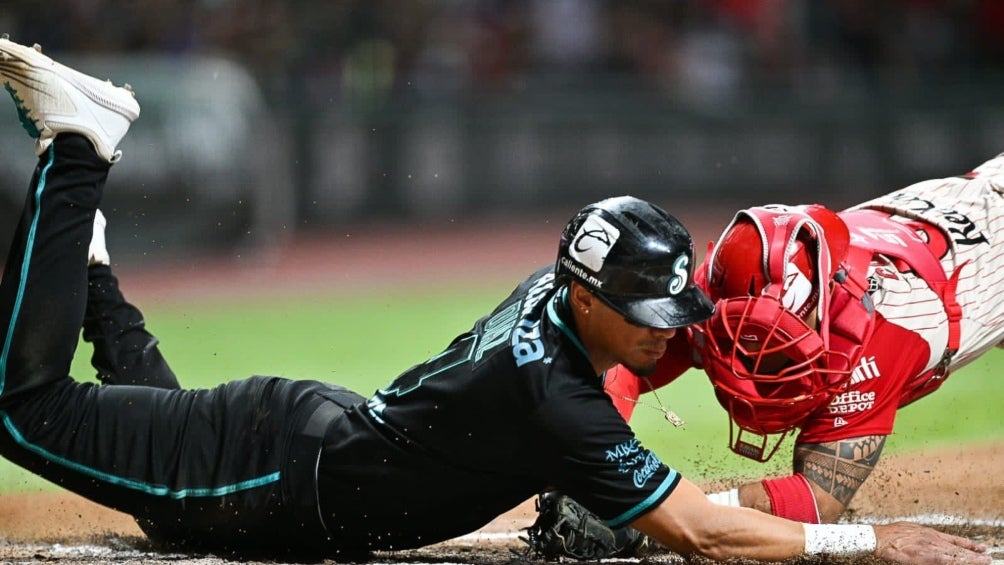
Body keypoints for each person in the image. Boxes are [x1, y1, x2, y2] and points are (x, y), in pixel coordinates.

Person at [0, 35, 991, 564]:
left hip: (305, 444)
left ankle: (85, 268)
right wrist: (866, 537)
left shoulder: (555, 297)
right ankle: (82, 150)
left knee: (168, 503)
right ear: (589, 300)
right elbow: (699, 529)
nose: (664, 340)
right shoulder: (552, 396)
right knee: (23, 410)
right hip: (275, 474)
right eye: (644, 321)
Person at [589, 153, 1004, 529]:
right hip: (954, 208)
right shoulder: (726, 285)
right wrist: (591, 469)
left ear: (824, 307)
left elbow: (815, 502)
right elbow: (619, 365)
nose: (748, 366)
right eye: (741, 342)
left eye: (774, 348)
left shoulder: (894, 327)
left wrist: (653, 519)